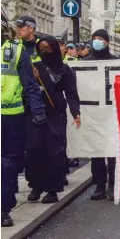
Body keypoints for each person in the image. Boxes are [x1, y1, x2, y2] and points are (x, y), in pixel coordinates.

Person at [1, 10, 46, 227]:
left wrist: (38, 112)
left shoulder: (17, 51)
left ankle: (3, 208)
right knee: (9, 163)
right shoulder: (16, 50)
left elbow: (30, 86)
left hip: (12, 118)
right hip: (12, 117)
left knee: (9, 164)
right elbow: (30, 86)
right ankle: (3, 209)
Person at [25, 36, 80, 204]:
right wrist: (32, 79)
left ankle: (52, 189)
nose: (44, 52)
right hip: (34, 113)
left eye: (47, 49)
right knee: (34, 150)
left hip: (55, 115)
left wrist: (75, 112)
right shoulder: (35, 67)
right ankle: (36, 185)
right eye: (41, 49)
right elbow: (26, 88)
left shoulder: (65, 70)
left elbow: (71, 92)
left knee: (53, 152)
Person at [83, 29, 118, 201]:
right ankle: (99, 185)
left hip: (111, 114)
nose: (97, 41)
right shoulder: (85, 62)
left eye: (100, 39)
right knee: (96, 151)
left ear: (107, 42)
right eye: (94, 38)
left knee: (112, 152)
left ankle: (112, 184)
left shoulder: (117, 62)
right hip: (94, 114)